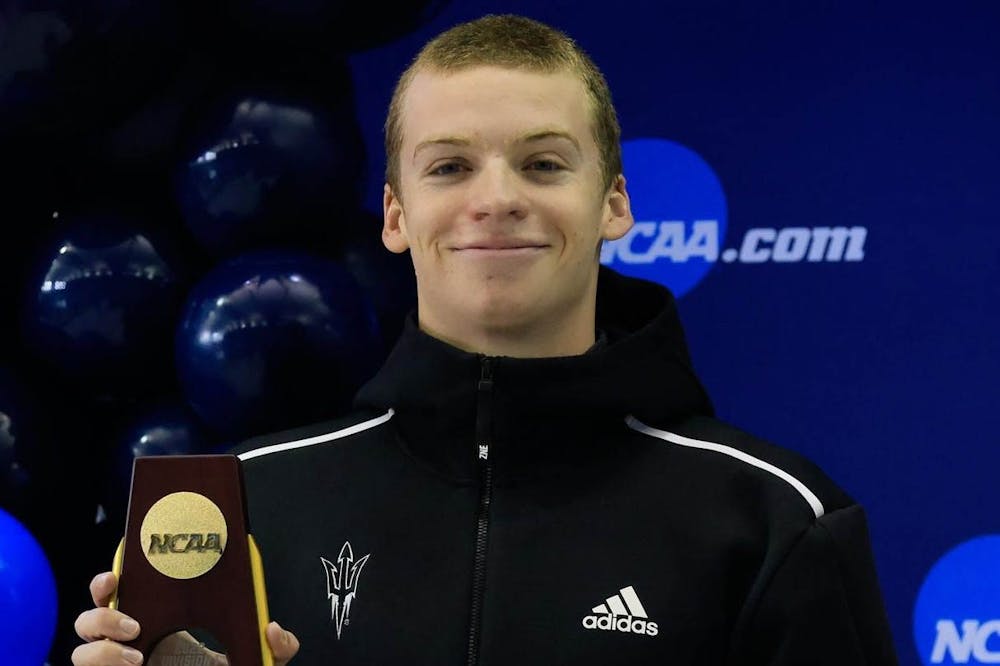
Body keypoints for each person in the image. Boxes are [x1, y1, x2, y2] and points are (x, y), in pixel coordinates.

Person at [72, 13, 899, 665]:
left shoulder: (773, 522)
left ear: (614, 202)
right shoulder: (245, 507)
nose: (496, 198)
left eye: (543, 164)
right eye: (449, 167)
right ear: (396, 215)